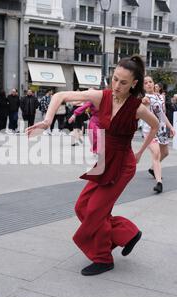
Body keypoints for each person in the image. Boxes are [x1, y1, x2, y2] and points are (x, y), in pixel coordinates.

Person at [26, 55, 159, 276]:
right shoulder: (101, 96)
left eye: (123, 82)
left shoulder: (137, 108)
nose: (116, 86)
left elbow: (154, 126)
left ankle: (103, 258)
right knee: (82, 207)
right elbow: (60, 95)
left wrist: (139, 152)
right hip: (104, 160)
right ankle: (126, 232)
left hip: (123, 165)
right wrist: (48, 120)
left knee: (96, 211)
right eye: (115, 79)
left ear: (134, 84)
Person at [142, 75, 176, 194]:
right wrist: (144, 101)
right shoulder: (146, 98)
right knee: (156, 154)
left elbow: (162, 115)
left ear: (154, 83)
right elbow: (144, 103)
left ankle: (152, 169)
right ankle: (159, 183)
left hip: (161, 129)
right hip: (150, 131)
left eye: (150, 82)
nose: (148, 84)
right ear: (143, 86)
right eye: (145, 83)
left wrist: (170, 127)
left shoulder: (158, 97)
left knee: (165, 153)